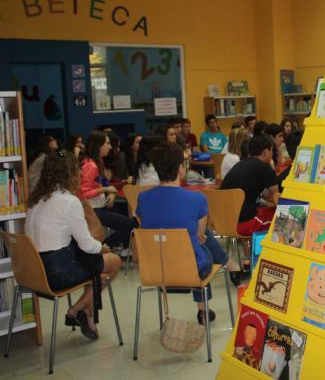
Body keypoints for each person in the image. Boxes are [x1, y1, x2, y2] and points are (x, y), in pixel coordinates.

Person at [136, 141, 240, 324]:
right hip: (191, 271)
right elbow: (200, 235)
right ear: (180, 169)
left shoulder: (142, 198)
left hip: (155, 270)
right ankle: (203, 309)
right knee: (200, 248)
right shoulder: (197, 198)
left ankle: (208, 301)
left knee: (192, 244)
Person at [25, 150, 121, 340]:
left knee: (96, 266)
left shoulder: (35, 200)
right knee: (114, 262)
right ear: (70, 173)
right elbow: (86, 244)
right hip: (59, 272)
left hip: (36, 272)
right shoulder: (69, 201)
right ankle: (76, 310)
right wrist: (102, 248)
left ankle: (88, 314)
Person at [79, 131, 136, 250]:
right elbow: (83, 193)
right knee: (132, 225)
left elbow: (104, 184)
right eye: (107, 143)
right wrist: (105, 189)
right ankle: (102, 247)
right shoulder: (91, 165)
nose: (110, 147)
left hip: (98, 206)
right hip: (92, 210)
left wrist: (110, 192)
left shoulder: (96, 162)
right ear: (98, 145)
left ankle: (104, 247)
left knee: (129, 222)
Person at [221, 135, 278, 236]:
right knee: (281, 220)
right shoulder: (264, 167)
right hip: (245, 223)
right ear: (265, 152)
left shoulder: (240, 164)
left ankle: (248, 250)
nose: (273, 153)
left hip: (223, 221)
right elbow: (278, 197)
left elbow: (262, 194)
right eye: (272, 150)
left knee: (263, 209)